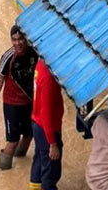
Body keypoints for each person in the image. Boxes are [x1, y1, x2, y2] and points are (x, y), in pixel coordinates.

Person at [0, 25, 39, 170]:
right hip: (12, 104)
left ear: (26, 39)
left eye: (20, 39)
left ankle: (20, 161)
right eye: (14, 40)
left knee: (28, 135)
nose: (17, 43)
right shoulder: (8, 57)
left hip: (29, 101)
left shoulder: (35, 53)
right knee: (13, 140)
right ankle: (5, 171)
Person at [29, 59, 64, 190]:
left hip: (37, 123)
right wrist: (52, 144)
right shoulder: (49, 78)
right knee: (50, 171)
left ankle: (35, 187)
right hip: (47, 129)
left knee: (39, 159)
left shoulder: (41, 63)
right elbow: (46, 112)